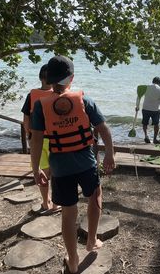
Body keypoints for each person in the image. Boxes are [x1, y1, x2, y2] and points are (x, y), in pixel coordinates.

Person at [29, 55, 115, 274]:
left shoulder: (40, 106)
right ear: (71, 78)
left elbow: (36, 139)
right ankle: (91, 240)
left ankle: (73, 259)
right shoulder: (84, 100)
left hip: (60, 168)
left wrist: (36, 168)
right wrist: (109, 155)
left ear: (48, 79)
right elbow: (104, 130)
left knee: (68, 213)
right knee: (95, 197)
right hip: (86, 163)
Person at [21, 64, 60, 214]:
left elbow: (26, 118)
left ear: (40, 78)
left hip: (36, 140)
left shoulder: (32, 95)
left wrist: (28, 134)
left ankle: (45, 202)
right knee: (56, 172)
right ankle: (56, 203)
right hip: (53, 140)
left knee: (42, 172)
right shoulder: (57, 95)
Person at [135, 76, 160, 144]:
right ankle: (155, 139)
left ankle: (146, 136)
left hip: (145, 109)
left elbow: (139, 96)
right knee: (156, 124)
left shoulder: (146, 87)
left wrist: (137, 106)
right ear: (159, 83)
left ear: (152, 81)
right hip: (155, 110)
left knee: (145, 123)